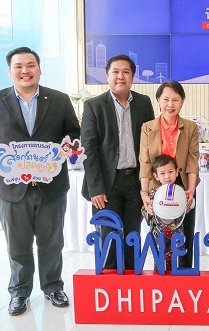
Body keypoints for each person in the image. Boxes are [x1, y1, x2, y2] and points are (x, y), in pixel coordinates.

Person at [0, 47, 80, 315]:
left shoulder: (59, 100)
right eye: (18, 66)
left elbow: (74, 132)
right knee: (17, 245)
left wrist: (68, 145)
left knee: (52, 242)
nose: (25, 71)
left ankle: (53, 287)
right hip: (10, 188)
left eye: (30, 65)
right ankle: (19, 292)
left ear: (39, 69)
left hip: (51, 186)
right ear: (10, 71)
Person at [81, 54, 154, 270]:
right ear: (107, 75)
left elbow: (149, 144)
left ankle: (132, 282)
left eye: (126, 72)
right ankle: (110, 284)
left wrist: (148, 184)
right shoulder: (94, 105)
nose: (120, 76)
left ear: (132, 76)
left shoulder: (143, 103)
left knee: (133, 236)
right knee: (109, 237)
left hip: (135, 182)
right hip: (106, 185)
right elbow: (89, 149)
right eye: (115, 72)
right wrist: (96, 188)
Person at [139, 81, 199, 268]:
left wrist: (190, 189)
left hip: (183, 186)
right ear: (158, 100)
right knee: (160, 235)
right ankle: (161, 272)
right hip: (157, 187)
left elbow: (193, 160)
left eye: (175, 100)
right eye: (166, 99)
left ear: (182, 101)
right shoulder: (148, 127)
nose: (170, 104)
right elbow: (145, 162)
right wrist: (144, 192)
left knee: (185, 233)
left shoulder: (191, 127)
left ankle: (186, 272)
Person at [142, 154, 191, 271]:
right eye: (162, 173)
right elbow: (144, 210)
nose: (167, 176)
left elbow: (187, 208)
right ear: (156, 176)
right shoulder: (154, 192)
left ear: (177, 172)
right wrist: (149, 211)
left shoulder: (180, 192)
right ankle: (160, 280)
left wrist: (188, 204)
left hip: (176, 232)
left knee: (176, 261)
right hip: (158, 233)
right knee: (160, 262)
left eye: (170, 172)